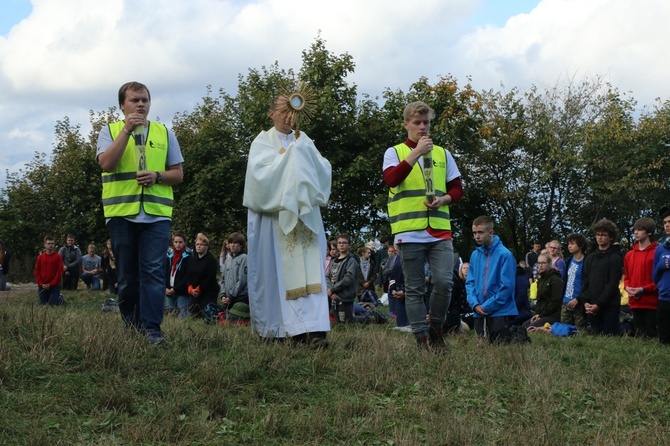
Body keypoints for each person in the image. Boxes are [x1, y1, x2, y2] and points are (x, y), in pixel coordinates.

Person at [97, 81, 184, 345]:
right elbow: (107, 164)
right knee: (126, 275)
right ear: (122, 105)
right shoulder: (109, 131)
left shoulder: (164, 132)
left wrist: (157, 176)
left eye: (145, 100)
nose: (141, 104)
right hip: (122, 214)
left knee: (154, 273)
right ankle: (132, 326)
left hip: (156, 215)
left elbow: (178, 174)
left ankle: (153, 330)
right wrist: (126, 130)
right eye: (134, 100)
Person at [243, 95, 331, 347]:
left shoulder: (305, 141)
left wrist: (304, 154)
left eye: (291, 110)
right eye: (282, 110)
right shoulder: (262, 142)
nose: (288, 115)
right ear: (271, 114)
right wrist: (292, 157)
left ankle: (314, 331)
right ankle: (278, 329)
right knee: (277, 274)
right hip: (275, 220)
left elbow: (324, 170)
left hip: (305, 218)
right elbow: (260, 180)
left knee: (311, 270)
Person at [383, 101, 463, 349]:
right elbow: (391, 179)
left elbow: (457, 188)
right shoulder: (394, 152)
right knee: (415, 288)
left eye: (426, 122)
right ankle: (422, 337)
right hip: (409, 230)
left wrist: (445, 199)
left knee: (444, 282)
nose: (422, 127)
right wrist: (416, 152)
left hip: (440, 229)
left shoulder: (442, 153)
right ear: (406, 124)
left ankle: (436, 327)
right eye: (417, 122)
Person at [466, 216, 518, 343]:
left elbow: (507, 286)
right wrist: (475, 304)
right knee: (482, 350)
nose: (477, 236)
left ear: (491, 232)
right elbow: (470, 282)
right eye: (474, 233)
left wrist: (488, 306)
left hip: (499, 312)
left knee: (501, 350)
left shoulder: (505, 255)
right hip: (478, 311)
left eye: (480, 232)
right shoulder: (475, 255)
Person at [578, 219, 623, 336]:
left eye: (603, 235)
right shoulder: (590, 257)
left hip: (609, 305)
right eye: (598, 234)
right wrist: (585, 301)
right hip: (591, 305)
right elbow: (585, 280)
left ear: (611, 237)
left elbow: (612, 283)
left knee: (611, 339)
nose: (600, 237)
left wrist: (599, 304)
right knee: (595, 338)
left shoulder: (615, 258)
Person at [624, 218, 659, 339]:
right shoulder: (629, 254)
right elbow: (627, 276)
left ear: (649, 232)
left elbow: (659, 280)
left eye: (640, 229)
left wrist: (643, 289)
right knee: (639, 337)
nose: (635, 232)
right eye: (635, 229)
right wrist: (627, 287)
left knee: (651, 337)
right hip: (634, 302)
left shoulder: (657, 252)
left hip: (652, 302)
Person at [326, 234, 370, 324]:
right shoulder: (333, 260)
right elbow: (327, 276)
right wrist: (330, 291)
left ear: (349, 245)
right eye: (339, 243)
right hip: (333, 296)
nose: (341, 245)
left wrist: (333, 289)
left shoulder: (351, 260)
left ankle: (372, 318)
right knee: (337, 321)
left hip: (344, 295)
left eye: (344, 243)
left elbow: (348, 278)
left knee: (346, 321)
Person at [522, 253, 563, 329]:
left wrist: (541, 315)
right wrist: (537, 314)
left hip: (552, 315)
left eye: (543, 263)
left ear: (550, 264)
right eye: (539, 263)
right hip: (541, 313)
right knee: (523, 326)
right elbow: (539, 300)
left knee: (530, 328)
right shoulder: (540, 280)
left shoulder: (556, 280)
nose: (540, 265)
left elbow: (555, 302)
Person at [560, 233, 588, 331]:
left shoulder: (587, 262)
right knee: (564, 330)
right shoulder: (568, 261)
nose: (569, 246)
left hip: (579, 302)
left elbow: (588, 284)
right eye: (568, 243)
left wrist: (579, 299)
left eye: (572, 243)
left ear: (580, 245)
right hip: (566, 300)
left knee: (581, 331)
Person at [186, 233, 219, 317]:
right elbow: (188, 275)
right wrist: (190, 288)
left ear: (207, 246)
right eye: (197, 244)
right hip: (194, 293)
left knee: (207, 315)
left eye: (201, 244)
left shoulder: (211, 260)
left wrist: (199, 288)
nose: (199, 246)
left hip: (207, 292)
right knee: (194, 315)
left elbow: (210, 277)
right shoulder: (192, 260)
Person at [165, 231, 192, 318]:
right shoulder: (170, 256)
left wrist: (175, 289)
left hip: (181, 291)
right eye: (176, 242)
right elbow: (165, 273)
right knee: (171, 315)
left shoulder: (187, 257)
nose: (178, 244)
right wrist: (166, 287)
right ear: (173, 243)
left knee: (182, 315)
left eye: (180, 242)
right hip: (169, 290)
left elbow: (187, 276)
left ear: (184, 243)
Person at [653, 208, 670, 344]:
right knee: (663, 342)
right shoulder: (660, 248)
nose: (667, 225)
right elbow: (654, 276)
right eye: (665, 223)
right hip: (664, 298)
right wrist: (660, 266)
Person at [219, 232, 249, 310]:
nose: (232, 245)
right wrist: (223, 295)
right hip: (227, 298)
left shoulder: (244, 258)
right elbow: (223, 279)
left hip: (240, 296)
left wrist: (231, 296)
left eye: (235, 243)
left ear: (241, 245)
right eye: (230, 243)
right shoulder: (228, 260)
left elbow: (242, 280)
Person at [34, 236, 65, 306]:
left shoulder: (58, 257)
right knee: (43, 304)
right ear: (44, 245)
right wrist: (41, 283)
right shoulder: (40, 257)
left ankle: (60, 298)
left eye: (52, 243)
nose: (50, 245)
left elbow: (59, 272)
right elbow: (37, 271)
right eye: (48, 243)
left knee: (54, 304)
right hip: (42, 286)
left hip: (54, 286)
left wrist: (51, 284)